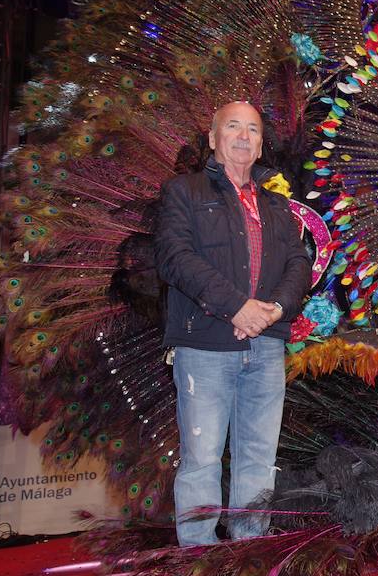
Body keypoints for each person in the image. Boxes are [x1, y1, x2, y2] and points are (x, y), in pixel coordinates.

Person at [155, 101, 311, 546]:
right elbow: (175, 258)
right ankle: (198, 559)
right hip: (204, 348)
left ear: (262, 144)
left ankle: (249, 554)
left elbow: (299, 264)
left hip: (266, 349)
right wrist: (237, 308)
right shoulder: (183, 192)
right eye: (233, 127)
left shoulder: (278, 206)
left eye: (254, 130)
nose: (244, 136)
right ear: (212, 137)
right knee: (202, 458)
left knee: (259, 459)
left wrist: (275, 309)